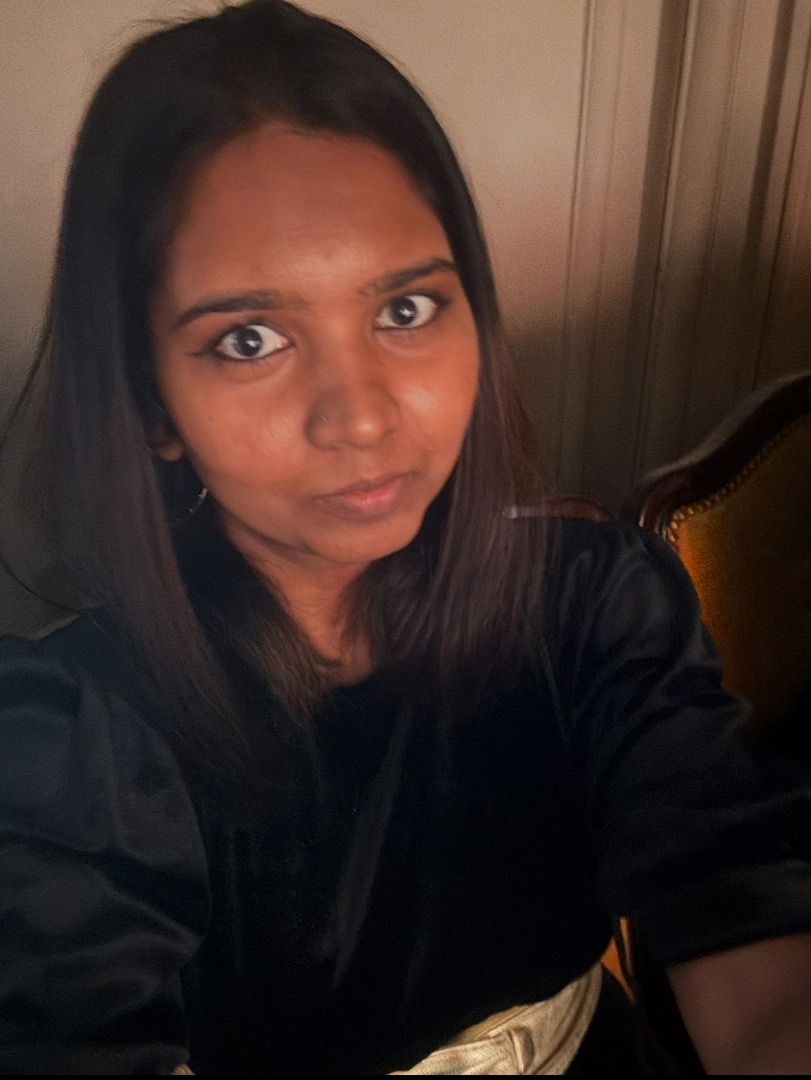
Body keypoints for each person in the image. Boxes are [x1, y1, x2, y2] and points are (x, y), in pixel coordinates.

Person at [1, 1, 811, 1073]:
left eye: (406, 311)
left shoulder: (594, 604)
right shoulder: (69, 743)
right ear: (150, 405)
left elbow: (750, 942)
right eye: (250, 338)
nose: (362, 417)